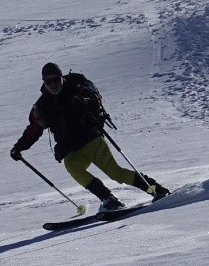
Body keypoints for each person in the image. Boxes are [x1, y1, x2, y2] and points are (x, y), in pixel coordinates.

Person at [9, 62, 169, 210]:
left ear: (61, 77)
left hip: (92, 141)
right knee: (73, 167)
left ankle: (156, 190)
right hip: (72, 149)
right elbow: (34, 129)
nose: (53, 84)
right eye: (48, 81)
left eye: (56, 79)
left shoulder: (76, 88)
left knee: (116, 173)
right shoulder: (42, 105)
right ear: (43, 82)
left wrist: (87, 102)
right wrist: (19, 147)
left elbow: (97, 100)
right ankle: (109, 199)